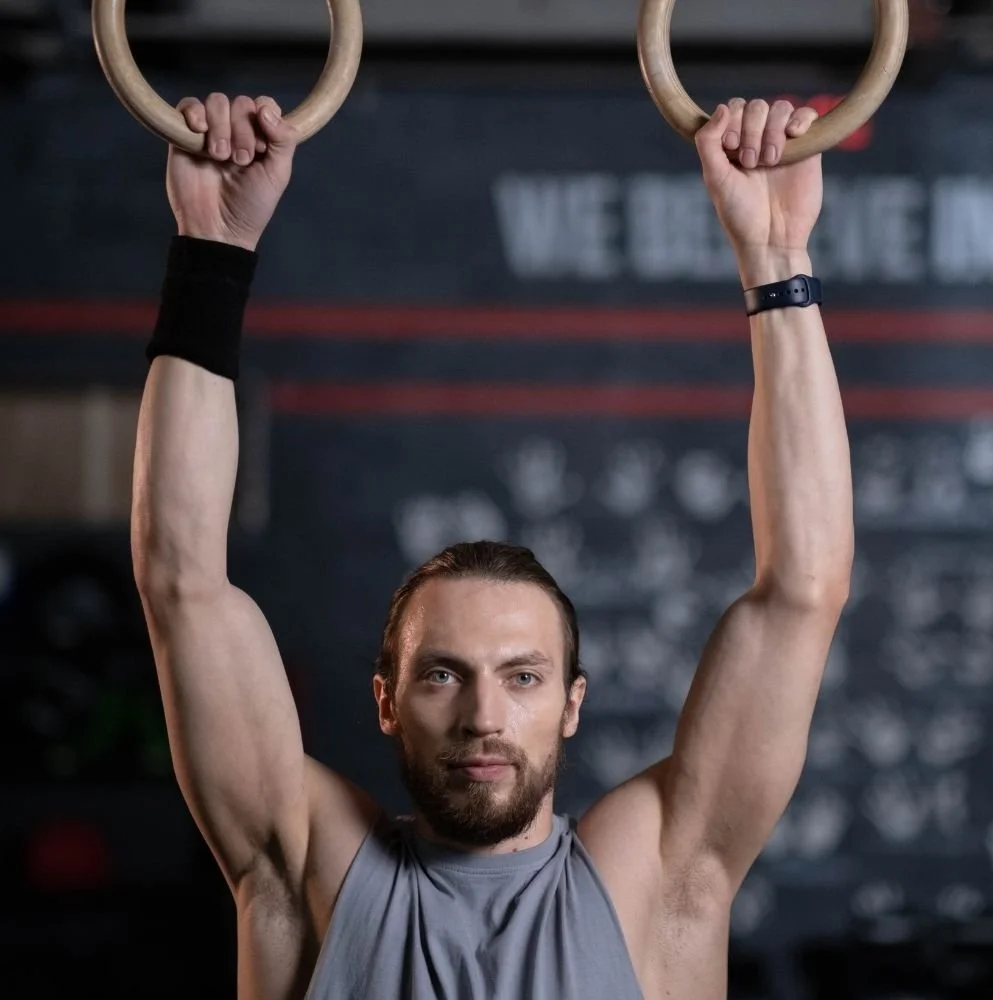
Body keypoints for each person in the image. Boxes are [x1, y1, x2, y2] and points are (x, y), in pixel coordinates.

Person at [131, 93, 854, 1000]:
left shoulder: (658, 882)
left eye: (523, 676)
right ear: (387, 702)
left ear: (571, 704)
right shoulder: (309, 870)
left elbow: (804, 589)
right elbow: (180, 581)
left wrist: (779, 256)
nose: (483, 715)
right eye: (442, 674)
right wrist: (211, 249)